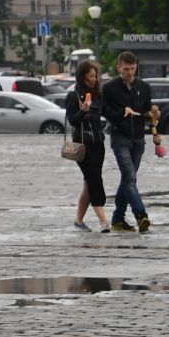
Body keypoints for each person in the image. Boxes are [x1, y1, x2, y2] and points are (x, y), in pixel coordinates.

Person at [101, 50, 158, 232]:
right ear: (119, 67)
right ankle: (141, 215)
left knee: (127, 179)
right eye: (126, 69)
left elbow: (147, 111)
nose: (130, 73)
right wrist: (121, 113)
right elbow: (106, 113)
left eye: (133, 68)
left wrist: (152, 115)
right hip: (120, 137)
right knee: (130, 177)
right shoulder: (109, 88)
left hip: (139, 139)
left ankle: (118, 219)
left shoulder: (144, 87)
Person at [65, 59, 109, 231]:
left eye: (95, 76)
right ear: (82, 77)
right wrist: (82, 111)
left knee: (89, 182)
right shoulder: (73, 96)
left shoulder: (98, 95)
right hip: (83, 146)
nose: (94, 79)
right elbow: (73, 121)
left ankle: (78, 220)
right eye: (91, 76)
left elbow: (106, 114)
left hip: (98, 144)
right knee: (94, 181)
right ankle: (104, 221)